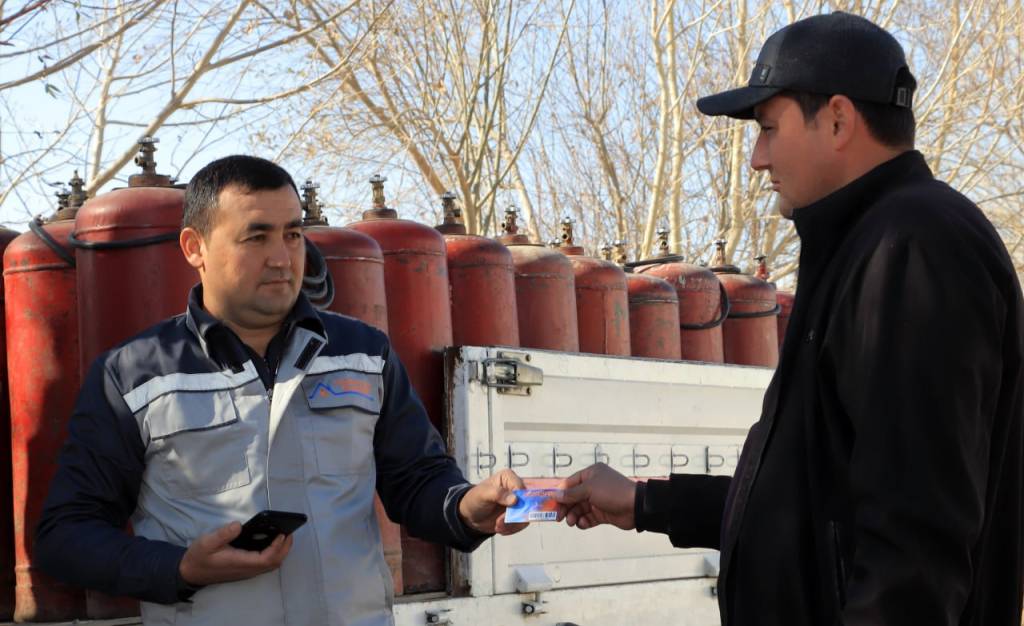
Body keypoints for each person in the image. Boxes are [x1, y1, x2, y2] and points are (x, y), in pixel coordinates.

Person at [556, 11, 1024, 626]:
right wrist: (645, 504)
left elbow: (914, 546)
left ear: (838, 120)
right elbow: (809, 509)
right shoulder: (862, 245)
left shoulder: (913, 249)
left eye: (769, 128)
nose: (757, 158)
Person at [34, 155, 527, 625]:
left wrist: (468, 507)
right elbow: (67, 535)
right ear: (194, 247)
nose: (281, 258)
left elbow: (417, 481)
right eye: (255, 237)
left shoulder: (363, 353)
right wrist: (180, 568)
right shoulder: (135, 375)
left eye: (292, 234)